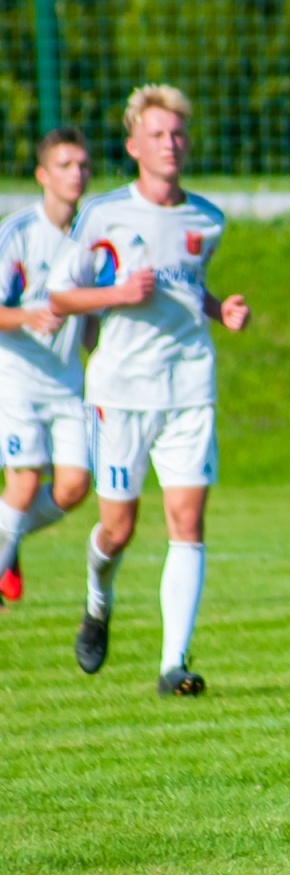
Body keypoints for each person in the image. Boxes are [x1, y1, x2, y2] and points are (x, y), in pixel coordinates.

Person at [49, 84, 251, 695]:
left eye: (178, 134)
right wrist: (115, 296)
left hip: (189, 385)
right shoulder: (105, 214)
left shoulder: (206, 219)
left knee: (187, 521)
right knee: (119, 529)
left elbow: (185, 287)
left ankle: (173, 665)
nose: (171, 144)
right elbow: (61, 295)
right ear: (135, 144)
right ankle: (97, 601)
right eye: (158, 134)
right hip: (121, 390)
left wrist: (222, 310)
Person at [0, 128, 96, 607]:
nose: (75, 173)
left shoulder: (94, 240)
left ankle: (6, 533)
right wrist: (29, 315)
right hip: (16, 378)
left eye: (82, 165)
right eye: (64, 165)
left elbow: (94, 320)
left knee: (76, 486)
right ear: (42, 175)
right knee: (23, 481)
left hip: (67, 384)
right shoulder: (16, 234)